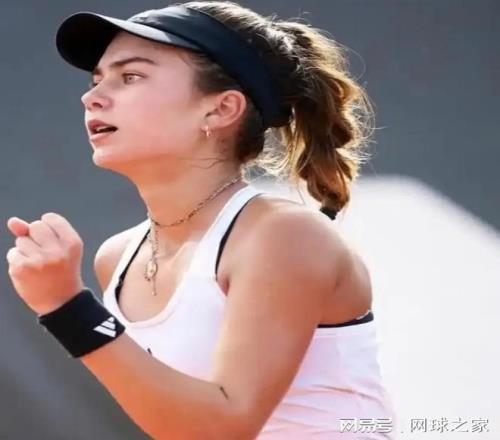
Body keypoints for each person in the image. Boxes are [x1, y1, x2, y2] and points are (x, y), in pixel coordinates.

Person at [6, 2, 396, 438]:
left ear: (220, 109)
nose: (91, 96)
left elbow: (224, 426)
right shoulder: (116, 257)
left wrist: (68, 308)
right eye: (97, 80)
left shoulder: (284, 235)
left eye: (130, 76)